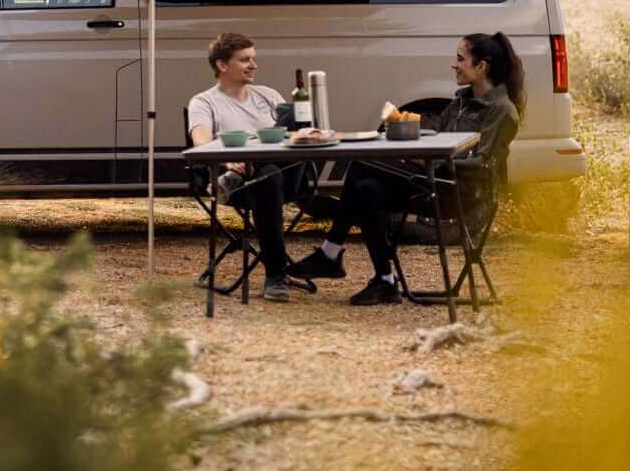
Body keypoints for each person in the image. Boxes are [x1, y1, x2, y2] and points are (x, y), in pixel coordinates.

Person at [287, 32, 523, 304]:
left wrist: (431, 160)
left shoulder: (501, 110)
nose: (454, 64)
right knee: (366, 188)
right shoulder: (459, 102)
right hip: (434, 182)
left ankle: (330, 254)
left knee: (360, 166)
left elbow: (481, 164)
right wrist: (412, 138)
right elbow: (438, 139)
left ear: (481, 66)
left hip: (459, 194)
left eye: (461, 59)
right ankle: (384, 280)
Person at [187, 32, 297, 302]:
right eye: (245, 60)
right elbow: (201, 143)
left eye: (253, 59)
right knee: (268, 178)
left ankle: (249, 167)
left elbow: (291, 137)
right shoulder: (204, 102)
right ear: (222, 65)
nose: (253, 65)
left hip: (288, 176)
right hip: (244, 186)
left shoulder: (269, 95)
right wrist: (229, 161)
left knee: (295, 114)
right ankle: (276, 274)